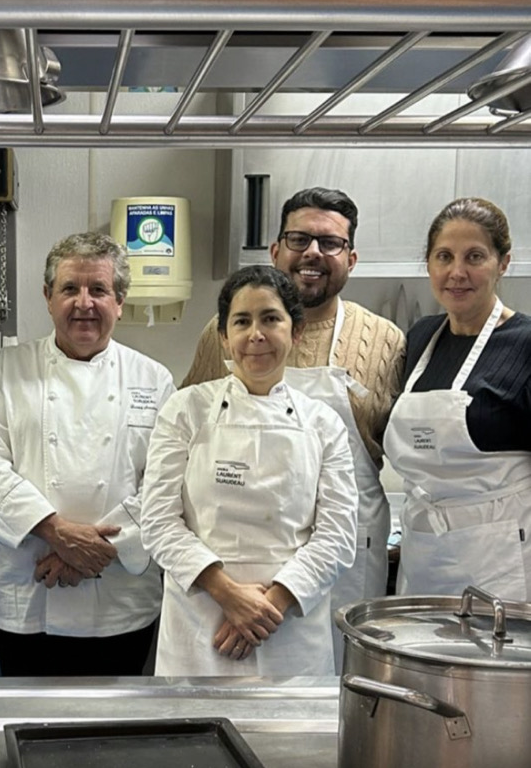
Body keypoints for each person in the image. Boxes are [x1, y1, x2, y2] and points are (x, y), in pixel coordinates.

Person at [182, 188, 404, 669]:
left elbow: (398, 447)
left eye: (330, 243)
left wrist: (284, 593)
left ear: (352, 257)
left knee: (338, 679)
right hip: (229, 567)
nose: (313, 254)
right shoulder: (219, 333)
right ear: (276, 250)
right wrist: (232, 591)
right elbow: (186, 445)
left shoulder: (386, 341)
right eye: (299, 239)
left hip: (345, 547)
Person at [0, 231, 176, 676]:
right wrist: (58, 533)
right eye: (69, 289)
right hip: (30, 590)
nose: (84, 303)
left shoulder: (153, 379)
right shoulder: (8, 371)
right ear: (47, 297)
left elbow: (166, 484)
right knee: (28, 729)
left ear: (119, 300)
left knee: (109, 734)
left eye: (98, 289)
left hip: (119, 597)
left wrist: (94, 550)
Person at [141, 265, 357, 677]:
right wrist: (228, 595)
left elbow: (337, 535)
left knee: (289, 739)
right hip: (201, 622)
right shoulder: (186, 411)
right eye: (241, 321)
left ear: (295, 332)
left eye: (271, 318)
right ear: (224, 335)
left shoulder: (323, 423)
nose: (255, 334)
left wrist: (268, 606)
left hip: (290, 626)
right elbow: (158, 522)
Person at [384, 197, 531, 599]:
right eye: (444, 256)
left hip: (502, 562)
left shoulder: (525, 343)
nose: (457, 272)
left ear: (503, 263)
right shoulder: (420, 338)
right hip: (423, 554)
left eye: (475, 256)